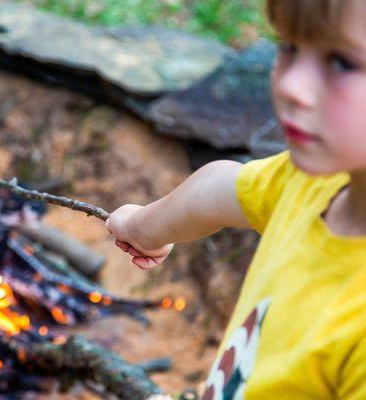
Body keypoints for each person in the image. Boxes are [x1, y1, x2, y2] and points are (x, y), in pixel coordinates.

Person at [105, 0, 366, 398]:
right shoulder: (315, 184)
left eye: (343, 63)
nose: (292, 84)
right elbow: (216, 191)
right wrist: (142, 227)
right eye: (290, 47)